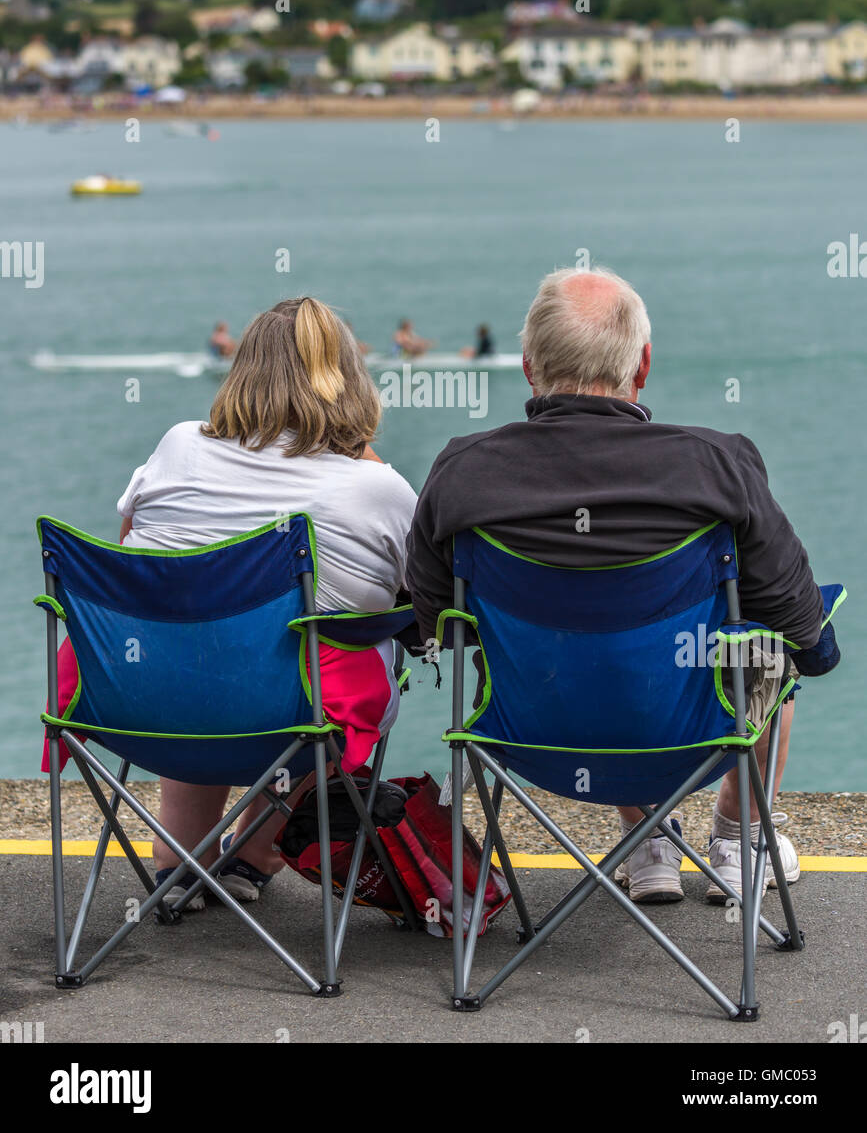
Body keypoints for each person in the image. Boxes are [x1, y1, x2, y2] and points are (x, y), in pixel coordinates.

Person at [405, 266, 841, 906]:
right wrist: (814, 648)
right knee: (768, 651)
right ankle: (737, 842)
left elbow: (434, 623)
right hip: (689, 738)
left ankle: (649, 843)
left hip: (530, 737)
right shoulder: (717, 465)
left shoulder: (462, 473)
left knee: (586, 645)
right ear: (642, 365)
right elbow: (797, 621)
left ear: (529, 368)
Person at [117, 297, 417, 908]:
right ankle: (255, 853)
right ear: (347, 380)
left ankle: (182, 859)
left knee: (200, 641)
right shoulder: (375, 487)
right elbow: (417, 594)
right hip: (288, 719)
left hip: (140, 702)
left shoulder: (177, 446)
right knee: (325, 656)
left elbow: (131, 557)